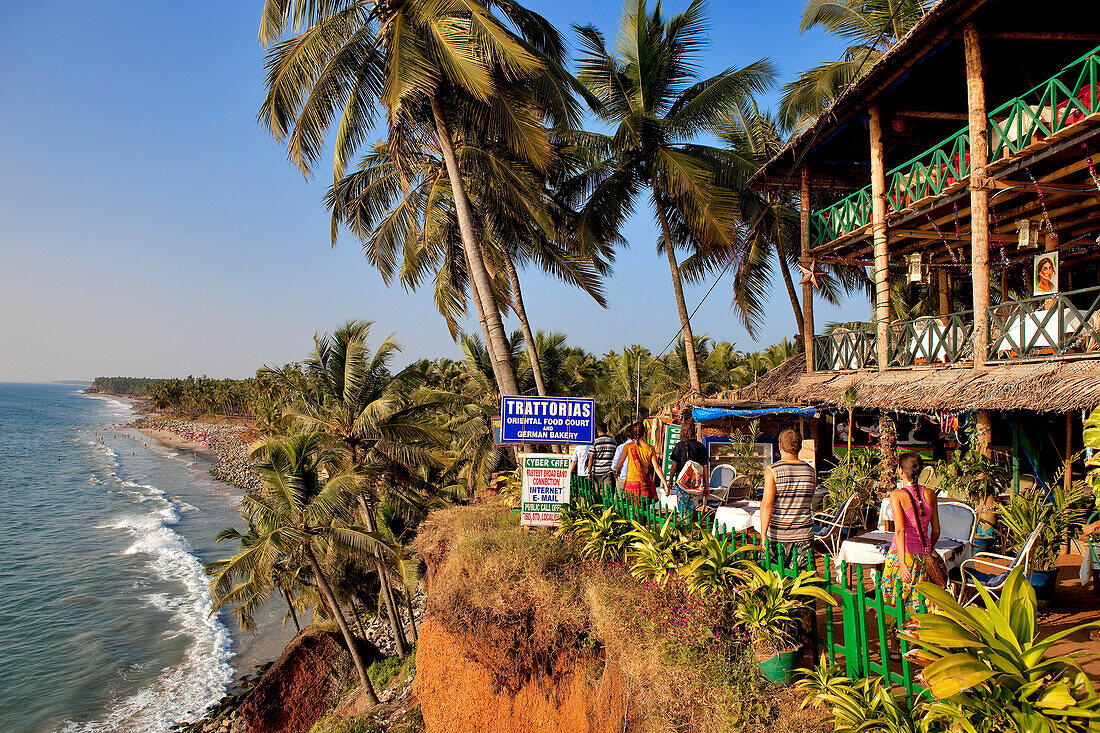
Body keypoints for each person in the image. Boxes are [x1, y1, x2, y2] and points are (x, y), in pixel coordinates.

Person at [882, 452, 940, 615]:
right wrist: (928, 549)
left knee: (894, 604)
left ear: (900, 470)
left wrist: (902, 563)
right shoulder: (930, 494)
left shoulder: (897, 495)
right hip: (922, 557)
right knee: (917, 603)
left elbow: (900, 530)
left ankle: (895, 640)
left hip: (901, 555)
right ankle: (915, 639)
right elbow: (936, 529)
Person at [759, 429, 816, 570]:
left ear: (780, 447)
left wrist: (763, 533)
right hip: (804, 534)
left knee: (775, 579)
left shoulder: (773, 470)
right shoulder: (811, 471)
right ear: (800, 447)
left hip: (779, 535)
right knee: (803, 581)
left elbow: (767, 504)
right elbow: (809, 499)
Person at [613, 421, 662, 503]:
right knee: (643, 509)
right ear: (644, 432)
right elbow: (657, 468)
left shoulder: (628, 447)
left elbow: (619, 464)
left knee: (631, 507)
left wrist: (617, 472)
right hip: (644, 484)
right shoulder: (650, 448)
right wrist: (665, 484)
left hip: (631, 483)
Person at [669, 422, 709, 514]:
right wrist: (706, 485)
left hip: (682, 483)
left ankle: (683, 527)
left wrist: (670, 480)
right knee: (691, 509)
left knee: (682, 509)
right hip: (695, 484)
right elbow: (705, 467)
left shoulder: (679, 446)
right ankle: (689, 525)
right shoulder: (701, 447)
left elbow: (674, 466)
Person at [587, 423, 618, 489]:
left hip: (596, 472)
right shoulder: (613, 442)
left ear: (597, 431)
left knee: (596, 492)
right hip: (608, 471)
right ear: (606, 430)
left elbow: (591, 458)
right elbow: (615, 457)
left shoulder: (594, 442)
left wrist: (589, 472)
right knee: (607, 493)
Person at [611, 427, 635, 492]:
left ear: (627, 436)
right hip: (635, 479)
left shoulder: (621, 447)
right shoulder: (641, 447)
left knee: (620, 499)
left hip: (623, 477)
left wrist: (616, 475)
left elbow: (615, 464)